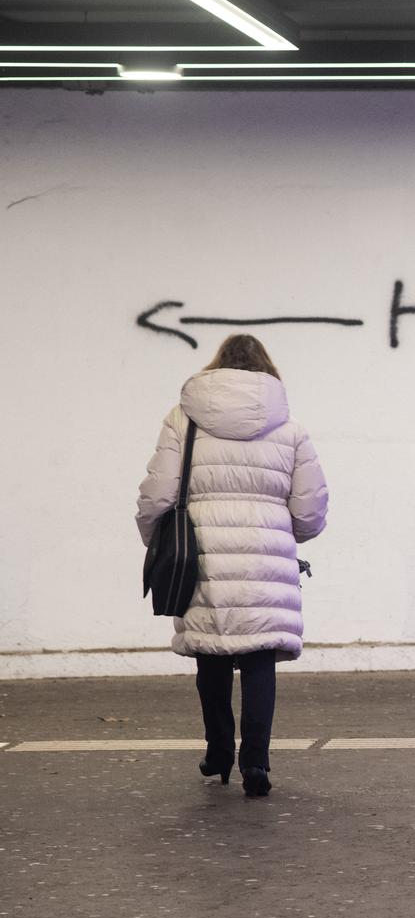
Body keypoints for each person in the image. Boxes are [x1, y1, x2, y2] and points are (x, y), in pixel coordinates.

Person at [136, 334, 328, 798]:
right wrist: (285, 534)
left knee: (212, 654)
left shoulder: (184, 420)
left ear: (216, 367)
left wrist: (155, 541)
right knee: (261, 656)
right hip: (266, 555)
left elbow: (157, 495)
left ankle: (219, 753)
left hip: (203, 554)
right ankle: (256, 763)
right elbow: (310, 509)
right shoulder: (291, 429)